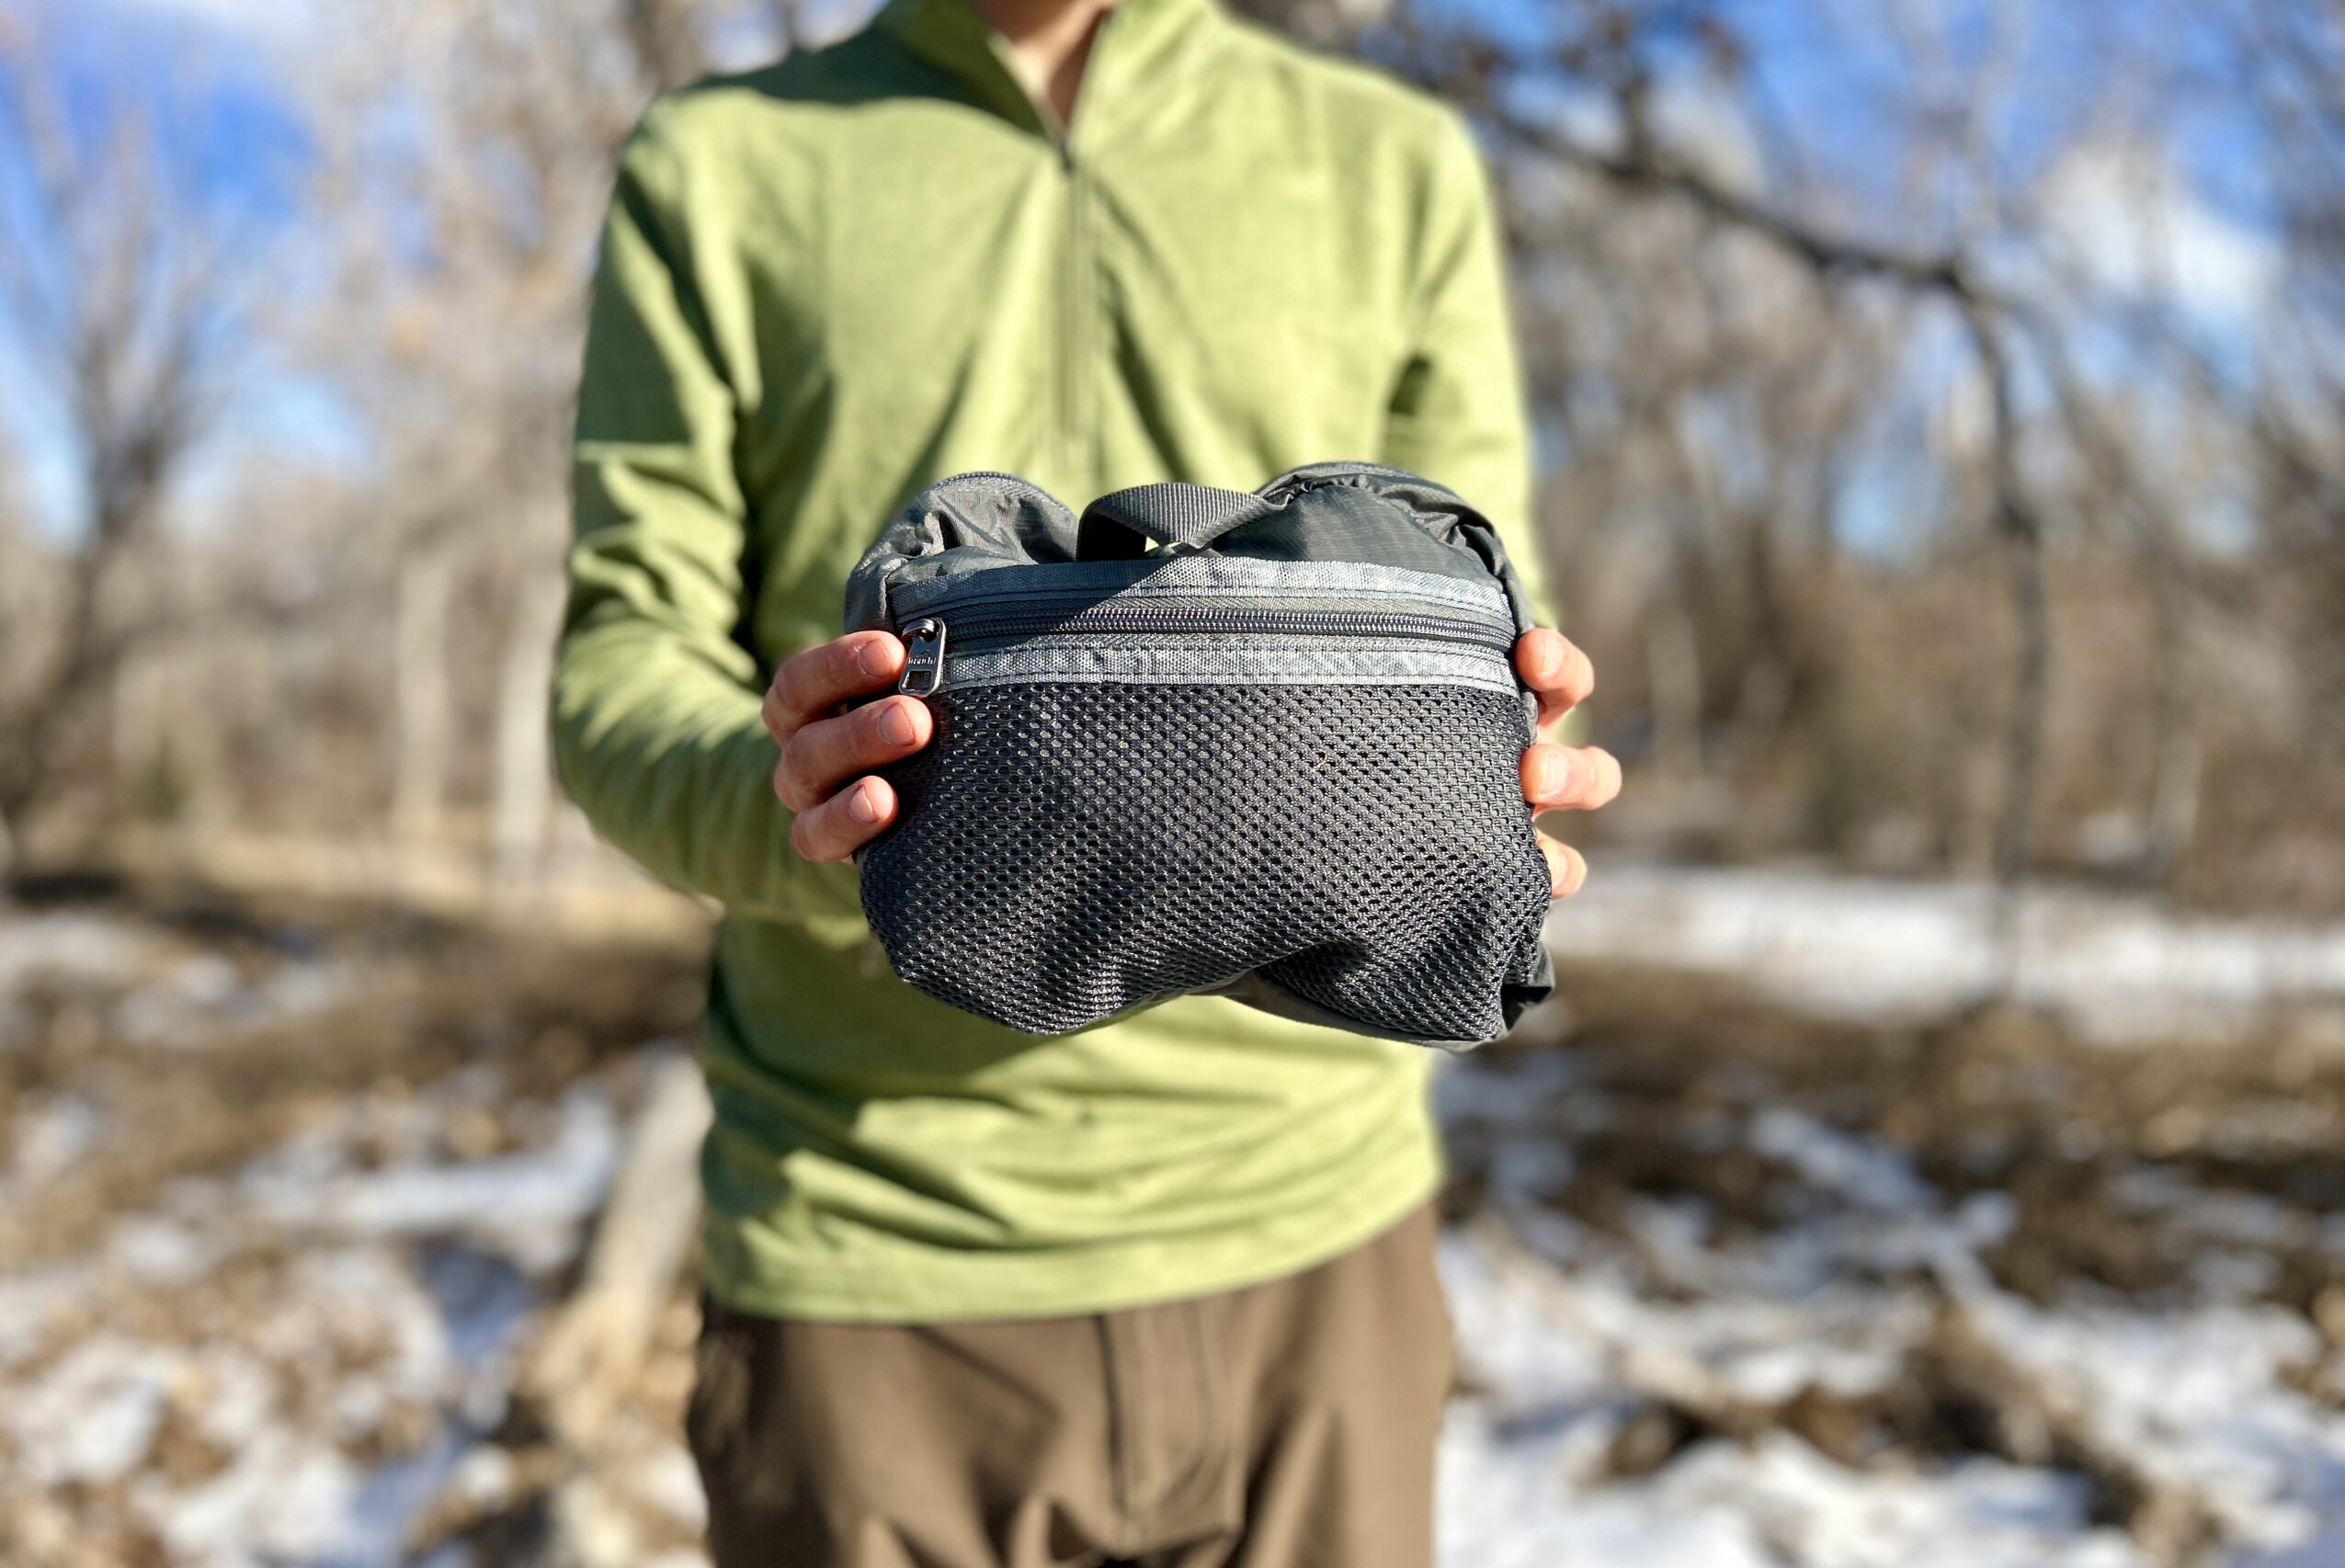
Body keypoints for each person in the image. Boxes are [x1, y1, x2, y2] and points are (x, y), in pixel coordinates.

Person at [552, 0, 1622, 1562]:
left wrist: (1502, 754)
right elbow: (616, 664)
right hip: (871, 1256)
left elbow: (1478, 607)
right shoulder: (719, 166)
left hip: (1319, 1249)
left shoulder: (1392, 165)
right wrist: (798, 805)